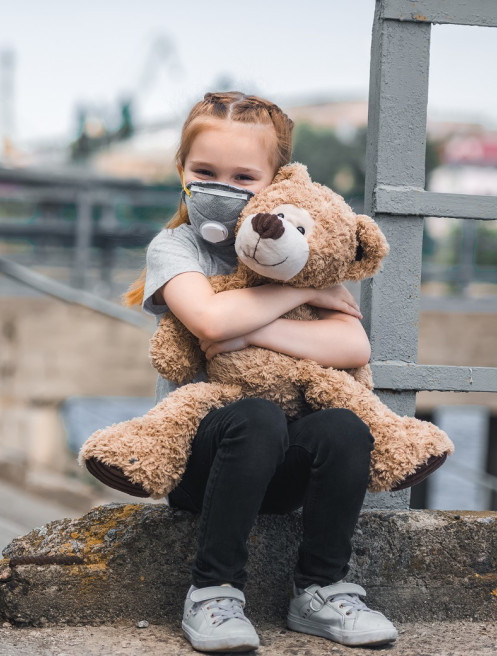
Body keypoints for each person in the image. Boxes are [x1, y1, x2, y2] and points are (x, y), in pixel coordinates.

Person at [124, 92, 398, 653]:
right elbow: (206, 318)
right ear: (182, 172)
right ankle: (213, 592)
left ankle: (321, 589)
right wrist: (299, 293)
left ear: (277, 181)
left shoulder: (302, 245)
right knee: (255, 416)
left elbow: (351, 342)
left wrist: (248, 328)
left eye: (243, 176)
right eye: (205, 171)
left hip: (285, 466)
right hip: (207, 463)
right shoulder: (176, 249)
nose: (221, 186)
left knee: (344, 426)